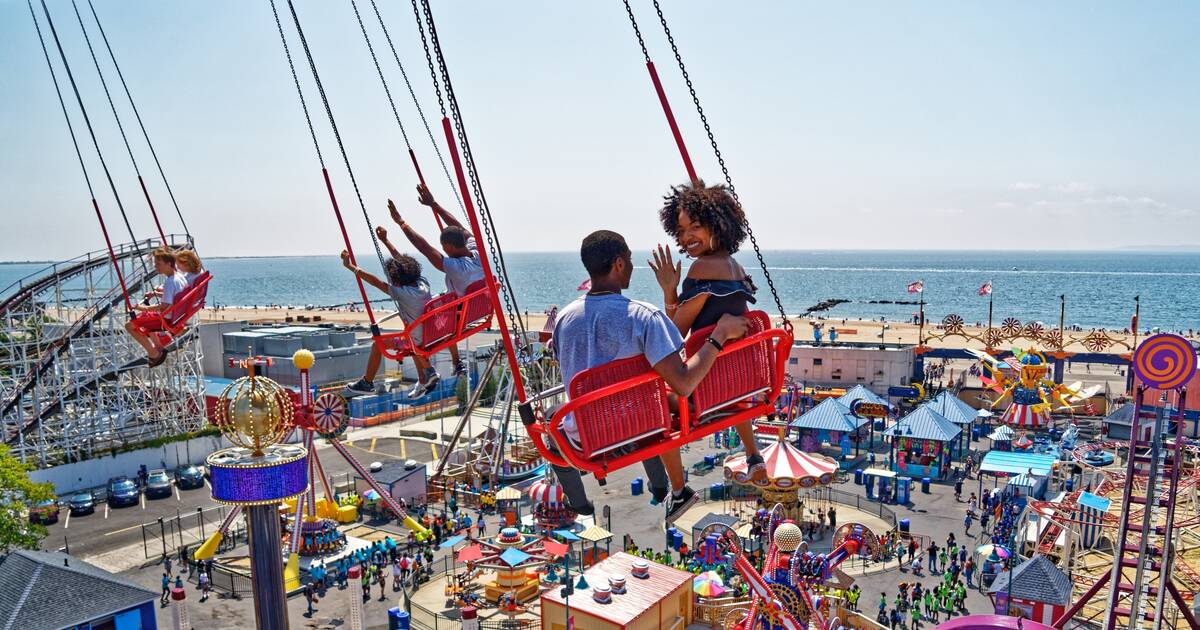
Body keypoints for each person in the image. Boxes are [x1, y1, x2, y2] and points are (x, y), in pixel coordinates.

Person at [549, 230, 748, 525]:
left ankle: (582, 501)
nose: (631, 266)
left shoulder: (564, 319)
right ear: (618, 264)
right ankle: (669, 487)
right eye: (629, 260)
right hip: (636, 429)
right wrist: (720, 334)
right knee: (662, 400)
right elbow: (683, 381)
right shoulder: (643, 317)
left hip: (586, 436)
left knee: (556, 417)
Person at [648, 181, 767, 481]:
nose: (687, 237)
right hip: (736, 382)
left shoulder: (701, 269)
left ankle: (674, 488)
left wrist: (669, 292)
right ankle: (753, 454)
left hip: (705, 387)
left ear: (717, 224)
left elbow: (674, 334)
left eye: (696, 226)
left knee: (653, 403)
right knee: (723, 363)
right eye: (681, 230)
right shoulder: (736, 267)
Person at [385, 185, 482, 376]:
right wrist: (433, 204)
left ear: (449, 246)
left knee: (425, 311)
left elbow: (424, 248)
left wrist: (401, 222)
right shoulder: (477, 250)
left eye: (444, 247)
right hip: (477, 308)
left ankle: (427, 371)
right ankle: (456, 362)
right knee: (441, 303)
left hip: (461, 314)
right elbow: (460, 228)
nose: (443, 251)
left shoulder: (456, 268)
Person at [339, 250, 440, 399]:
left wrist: (351, 266)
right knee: (412, 340)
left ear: (397, 279)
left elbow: (376, 282)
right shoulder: (423, 283)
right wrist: (386, 241)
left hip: (417, 339)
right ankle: (425, 377)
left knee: (378, 345)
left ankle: (367, 383)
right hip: (430, 333)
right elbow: (405, 265)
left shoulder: (402, 293)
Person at [126, 247, 189, 367]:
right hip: (175, 316)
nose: (156, 267)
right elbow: (174, 298)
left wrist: (143, 308)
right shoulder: (179, 277)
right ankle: (159, 347)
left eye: (158, 264)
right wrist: (156, 295)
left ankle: (153, 353)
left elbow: (164, 306)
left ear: (169, 264)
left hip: (166, 319)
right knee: (145, 317)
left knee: (129, 326)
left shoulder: (170, 282)